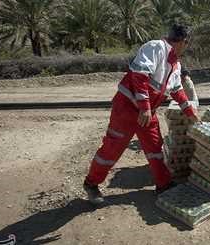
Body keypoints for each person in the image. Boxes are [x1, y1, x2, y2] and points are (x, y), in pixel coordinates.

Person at [83, 24, 200, 204]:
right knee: (112, 149)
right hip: (127, 109)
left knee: (155, 148)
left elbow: (177, 90)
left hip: (148, 113)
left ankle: (163, 184)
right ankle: (91, 184)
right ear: (184, 42)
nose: (186, 47)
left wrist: (190, 112)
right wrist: (144, 107)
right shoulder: (155, 48)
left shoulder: (175, 64)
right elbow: (139, 75)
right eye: (187, 44)